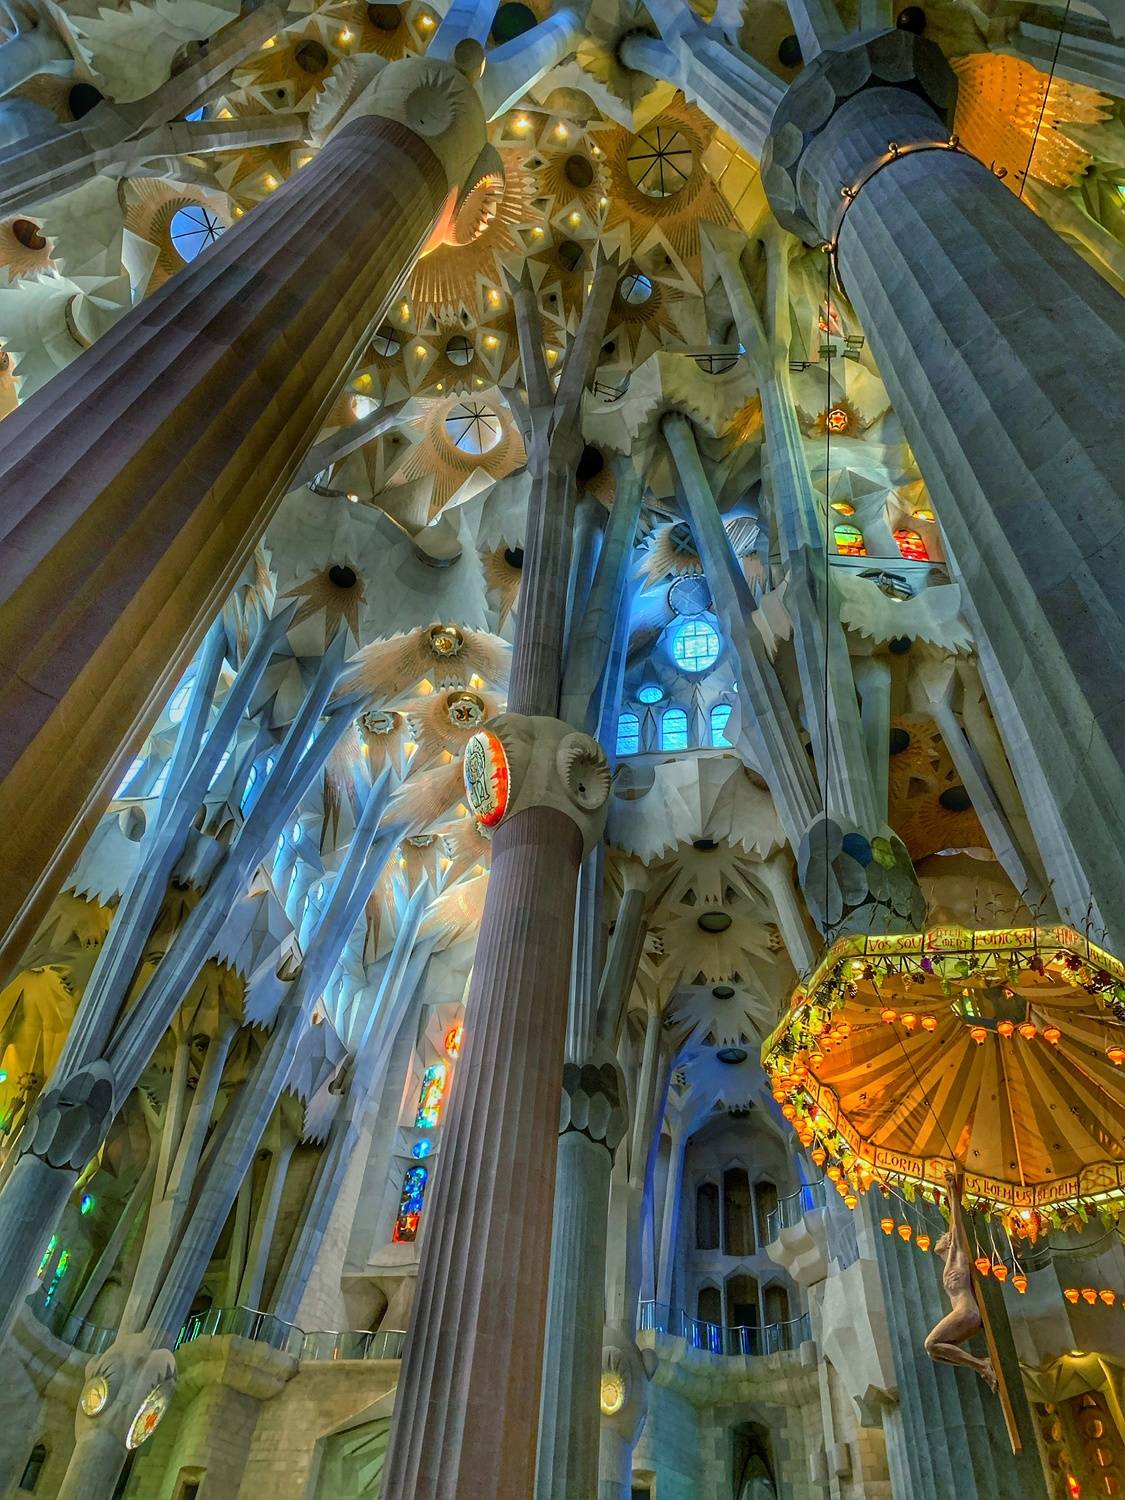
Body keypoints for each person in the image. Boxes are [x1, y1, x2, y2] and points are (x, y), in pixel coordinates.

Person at [924, 1168, 997, 1390]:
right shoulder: (949, 1263)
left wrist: (953, 1193)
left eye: (941, 1246)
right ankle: (981, 1365)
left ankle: (983, 1366)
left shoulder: (957, 1256)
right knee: (935, 1353)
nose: (938, 1249)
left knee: (931, 1344)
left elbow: (956, 1225)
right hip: (964, 1314)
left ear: (947, 1244)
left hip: (967, 1312)